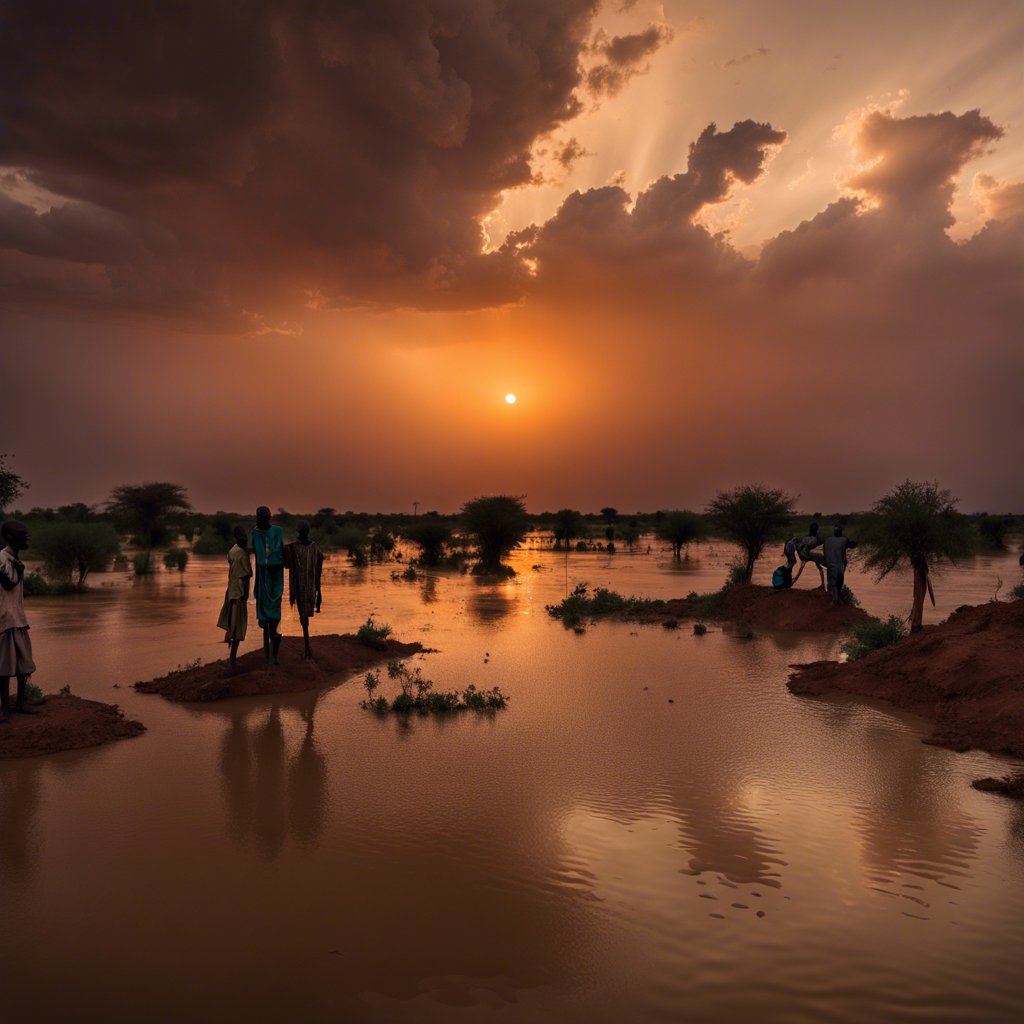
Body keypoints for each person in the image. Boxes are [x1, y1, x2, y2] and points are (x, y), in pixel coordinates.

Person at [0, 521, 38, 722]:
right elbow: (8, 584)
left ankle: (20, 702)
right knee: (5, 668)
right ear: (9, 538)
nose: (27, 538)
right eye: (23, 535)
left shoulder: (13, 558)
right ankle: (5, 708)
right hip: (5, 620)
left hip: (18, 619)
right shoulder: (3, 558)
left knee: (24, 663)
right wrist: (20, 570)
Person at [284, 520, 323, 660]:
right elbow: (286, 563)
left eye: (303, 531)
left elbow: (318, 569)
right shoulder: (293, 548)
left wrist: (319, 592)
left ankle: (307, 648)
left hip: (306, 588)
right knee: (303, 617)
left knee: (305, 617)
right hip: (301, 588)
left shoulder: (312, 548)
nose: (303, 534)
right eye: (302, 532)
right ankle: (307, 647)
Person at [216, 525, 252, 672]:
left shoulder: (232, 551)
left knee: (233, 626)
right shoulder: (241, 554)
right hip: (238, 595)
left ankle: (232, 660)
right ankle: (232, 662)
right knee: (236, 628)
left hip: (231, 592)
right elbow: (243, 576)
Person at [252, 506, 285, 664]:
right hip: (262, 578)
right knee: (265, 619)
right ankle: (267, 657)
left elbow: (279, 554)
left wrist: (272, 562)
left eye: (264, 517)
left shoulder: (277, 531)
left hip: (275, 579)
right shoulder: (256, 532)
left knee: (275, 618)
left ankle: (276, 657)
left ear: (269, 517)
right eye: (259, 517)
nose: (261, 519)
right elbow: (259, 558)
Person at [822, 523, 858, 606]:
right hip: (838, 565)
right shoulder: (843, 540)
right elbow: (852, 545)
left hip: (830, 564)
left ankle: (835, 599)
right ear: (841, 532)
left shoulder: (827, 540)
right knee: (838, 583)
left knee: (832, 583)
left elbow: (824, 552)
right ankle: (835, 600)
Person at [791, 521, 827, 590]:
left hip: (807, 555)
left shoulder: (810, 538)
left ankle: (792, 582)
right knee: (819, 568)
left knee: (801, 568)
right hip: (815, 555)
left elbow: (805, 545)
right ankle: (823, 585)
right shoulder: (817, 537)